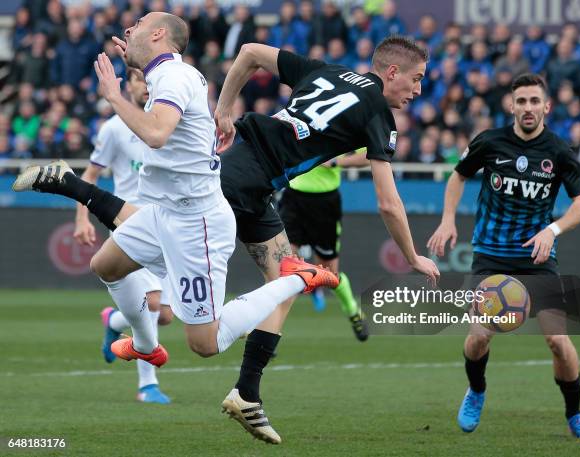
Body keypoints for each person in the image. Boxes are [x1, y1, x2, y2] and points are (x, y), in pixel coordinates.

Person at [12, 11, 338, 422]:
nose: (127, 31)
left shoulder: (174, 77)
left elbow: (156, 133)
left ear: (160, 34)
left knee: (206, 343)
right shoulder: (166, 77)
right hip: (165, 212)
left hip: (196, 222)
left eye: (138, 26)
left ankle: (298, 276)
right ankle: (146, 346)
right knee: (106, 265)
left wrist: (113, 95)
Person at [212, 36, 439, 443]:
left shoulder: (328, 71)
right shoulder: (379, 117)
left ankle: (246, 392)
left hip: (251, 179)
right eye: (416, 79)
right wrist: (413, 257)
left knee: (287, 281)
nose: (418, 90)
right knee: (155, 262)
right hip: (240, 178)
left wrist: (225, 108)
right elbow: (389, 204)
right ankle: (79, 194)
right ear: (392, 73)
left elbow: (248, 52)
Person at [427, 73, 580, 439]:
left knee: (558, 341)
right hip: (490, 256)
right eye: (521, 101)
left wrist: (551, 230)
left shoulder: (559, 151)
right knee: (478, 337)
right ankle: (476, 391)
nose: (527, 108)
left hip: (537, 260)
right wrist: (447, 221)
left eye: (534, 101)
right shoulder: (490, 142)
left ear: (546, 107)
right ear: (511, 105)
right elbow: (458, 177)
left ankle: (575, 414)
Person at [73, 67, 173, 404]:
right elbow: (91, 174)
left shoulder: (168, 121)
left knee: (167, 314)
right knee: (153, 304)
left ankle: (114, 319)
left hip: (166, 223)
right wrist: (82, 218)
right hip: (128, 222)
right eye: (137, 80)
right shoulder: (115, 128)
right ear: (127, 85)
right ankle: (148, 385)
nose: (144, 86)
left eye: (149, 80)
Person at [279, 151, 370, 340]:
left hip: (325, 203)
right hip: (293, 199)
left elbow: (369, 155)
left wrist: (337, 161)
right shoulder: (297, 120)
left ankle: (353, 311)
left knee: (329, 274)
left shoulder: (345, 124)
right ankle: (270, 333)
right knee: (284, 270)